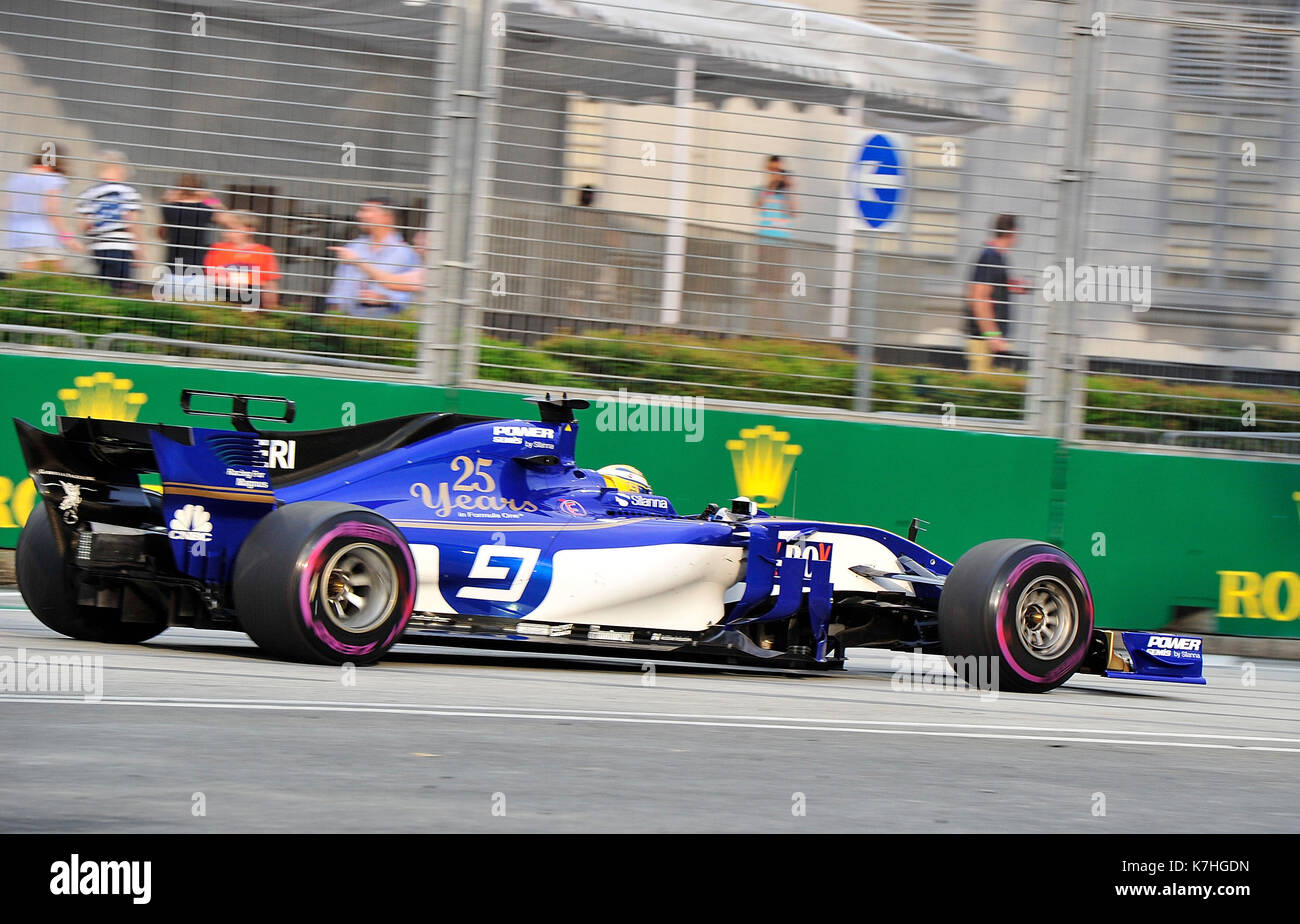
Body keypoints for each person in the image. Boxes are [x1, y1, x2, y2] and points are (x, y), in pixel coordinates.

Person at [326, 197, 423, 316]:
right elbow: (341, 286)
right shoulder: (354, 246)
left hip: (385, 322)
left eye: (366, 210)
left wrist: (386, 299)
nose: (359, 215)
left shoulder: (405, 253)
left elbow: (412, 292)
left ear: (387, 217)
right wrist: (333, 312)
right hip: (346, 320)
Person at [965, 214, 1028, 374]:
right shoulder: (989, 257)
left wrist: (1010, 285)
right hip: (986, 340)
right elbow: (978, 297)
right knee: (983, 391)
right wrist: (993, 335)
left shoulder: (999, 257)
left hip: (995, 339)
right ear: (1012, 232)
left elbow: (991, 289)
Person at [2, 144, 80, 273]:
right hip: (46, 238)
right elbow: (52, 209)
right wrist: (67, 238)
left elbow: (5, 206)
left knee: (29, 284)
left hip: (21, 237)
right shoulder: (53, 179)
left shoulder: (16, 179)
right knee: (56, 282)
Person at [77, 150, 142, 293]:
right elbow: (132, 223)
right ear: (119, 169)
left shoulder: (89, 194)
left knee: (104, 289)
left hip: (100, 248)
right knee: (123, 289)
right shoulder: (128, 192)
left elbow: (85, 225)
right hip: (122, 248)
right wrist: (139, 250)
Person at [753, 155, 797, 333]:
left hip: (782, 244)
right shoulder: (760, 189)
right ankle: (759, 323)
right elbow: (758, 204)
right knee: (763, 286)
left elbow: (793, 211)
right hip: (764, 242)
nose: (775, 174)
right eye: (772, 170)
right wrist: (771, 185)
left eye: (778, 170)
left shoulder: (786, 192)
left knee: (778, 288)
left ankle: (776, 324)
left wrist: (789, 188)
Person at [203, 211, 280, 310]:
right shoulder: (218, 249)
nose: (227, 233)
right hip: (223, 297)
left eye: (232, 229)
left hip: (252, 300)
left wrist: (272, 308)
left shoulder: (264, 252)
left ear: (249, 230)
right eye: (226, 229)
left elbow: (270, 284)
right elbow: (210, 277)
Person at [159, 173, 228, 273]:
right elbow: (227, 218)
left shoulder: (169, 208)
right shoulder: (206, 209)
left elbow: (162, 234)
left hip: (174, 261)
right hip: (198, 262)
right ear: (200, 190)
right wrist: (210, 198)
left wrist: (166, 200)